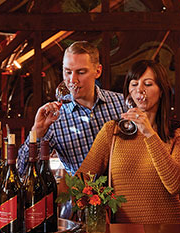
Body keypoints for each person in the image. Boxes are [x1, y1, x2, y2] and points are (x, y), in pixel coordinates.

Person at [78, 60, 180, 224]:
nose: (140, 89)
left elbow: (175, 185)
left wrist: (149, 133)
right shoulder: (112, 131)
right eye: (134, 84)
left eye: (148, 84)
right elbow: (80, 180)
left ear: (161, 91)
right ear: (128, 92)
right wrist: (96, 209)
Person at [16, 41, 126, 175]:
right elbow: (23, 171)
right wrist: (37, 131)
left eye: (80, 72)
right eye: (67, 72)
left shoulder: (122, 104)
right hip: (83, 195)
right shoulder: (54, 118)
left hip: (126, 193)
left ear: (98, 71)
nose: (73, 80)